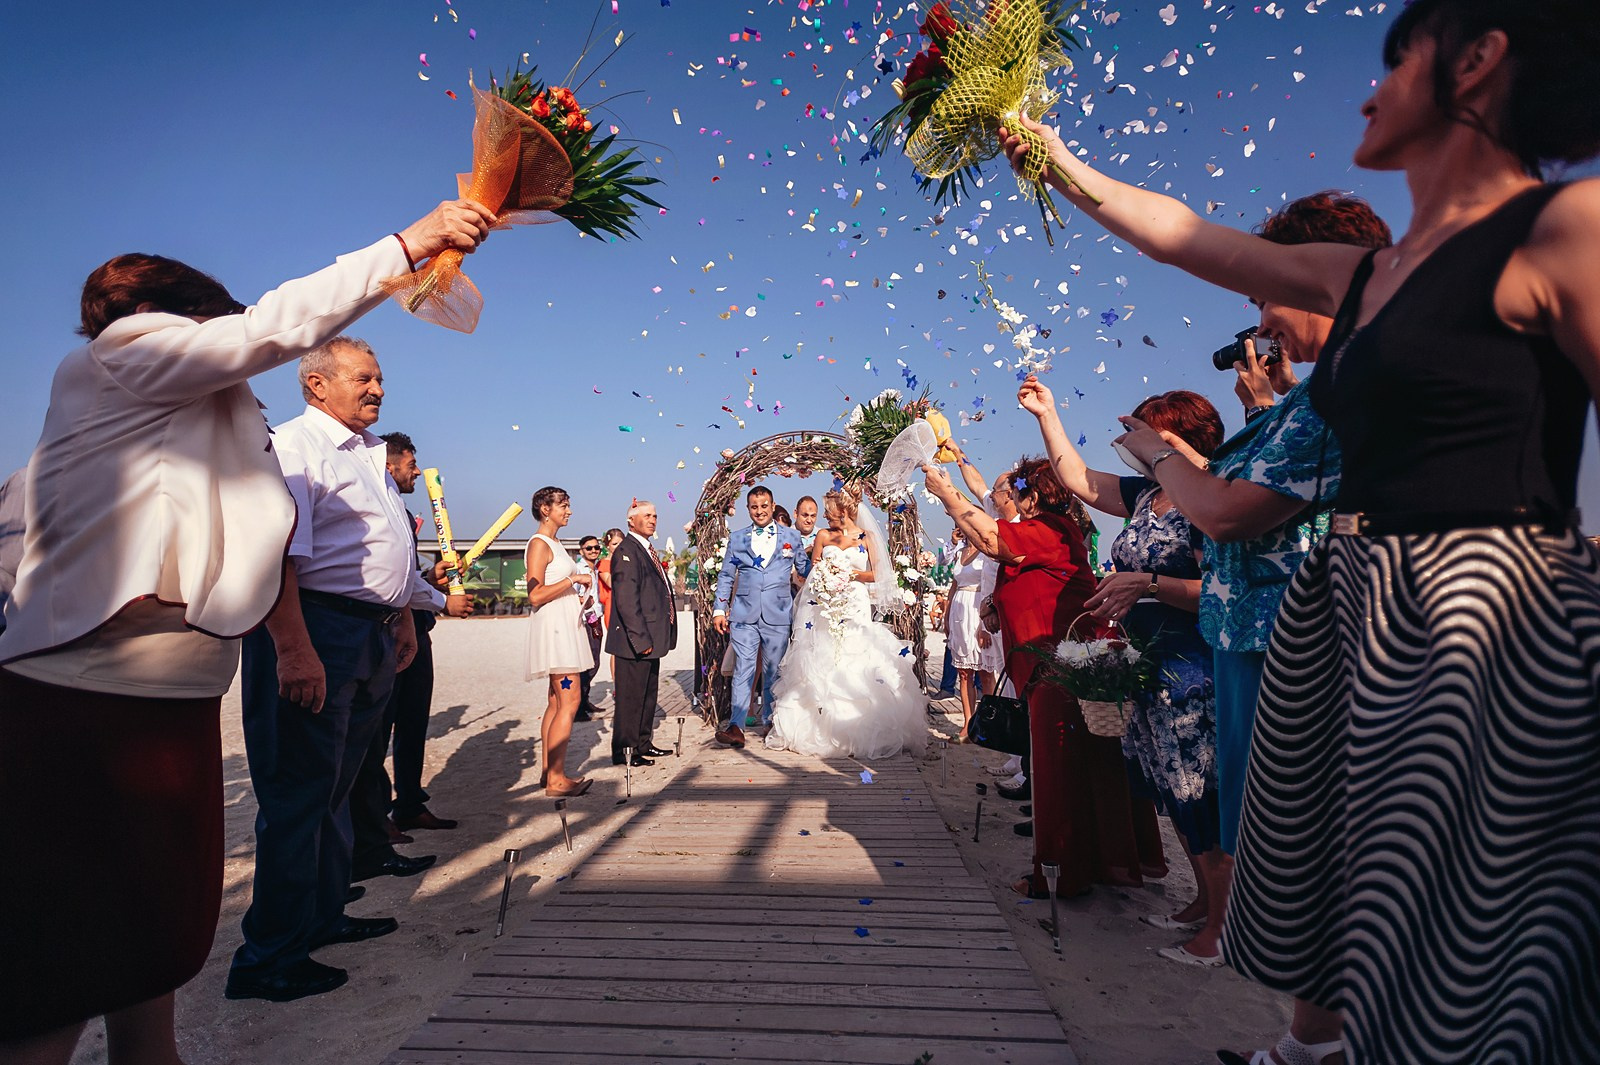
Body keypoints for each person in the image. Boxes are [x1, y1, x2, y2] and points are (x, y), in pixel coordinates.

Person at [1001, 2, 1600, 1058]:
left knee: (1473, 935)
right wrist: (1053, 158)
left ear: (1479, 61)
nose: (1367, 90)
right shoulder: (1367, 276)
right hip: (1356, 607)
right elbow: (1183, 235)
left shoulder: (1563, 227)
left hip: (1488, 608)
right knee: (1345, 895)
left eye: (1395, 58)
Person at [0, 199, 491, 1059]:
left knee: (151, 932)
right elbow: (275, 327)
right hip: (93, 696)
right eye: (221, 325)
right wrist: (411, 246)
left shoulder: (172, 415)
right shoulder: (127, 350)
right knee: (69, 957)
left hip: (171, 693)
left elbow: (18, 517)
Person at [227, 337, 447, 1004]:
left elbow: (385, 547)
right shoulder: (296, 446)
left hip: (368, 632)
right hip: (315, 627)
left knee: (337, 785)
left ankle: (322, 915)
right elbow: (278, 555)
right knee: (298, 793)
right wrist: (294, 647)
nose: (377, 387)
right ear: (316, 385)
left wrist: (403, 613)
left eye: (380, 376)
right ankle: (269, 955)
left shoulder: (369, 455)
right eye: (363, 377)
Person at [1019, 380, 1225, 961]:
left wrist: (1150, 584)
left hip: (1189, 661)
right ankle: (1205, 901)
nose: (1129, 447)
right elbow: (1080, 481)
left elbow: (1218, 589)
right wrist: (1049, 413)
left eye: (1141, 434)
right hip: (1145, 660)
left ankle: (1222, 922)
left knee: (1196, 787)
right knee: (1168, 782)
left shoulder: (1209, 498)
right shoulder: (1145, 496)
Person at [924, 458, 1157, 898]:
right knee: (1079, 771)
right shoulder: (1047, 531)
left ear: (1033, 497)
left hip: (1065, 670)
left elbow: (992, 540)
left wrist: (945, 492)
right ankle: (1105, 863)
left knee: (1058, 772)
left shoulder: (1050, 530)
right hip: (1053, 667)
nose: (1010, 500)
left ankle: (1061, 876)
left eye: (1016, 492)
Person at [357, 431, 470, 847]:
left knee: (412, 722)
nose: (417, 472)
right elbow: (389, 582)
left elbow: (405, 578)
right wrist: (442, 601)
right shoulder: (374, 504)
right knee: (376, 729)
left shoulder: (401, 511)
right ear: (389, 464)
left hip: (415, 630)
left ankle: (409, 801)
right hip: (384, 632)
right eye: (410, 465)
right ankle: (375, 816)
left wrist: (431, 580)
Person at [765, 484, 927, 759]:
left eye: (829, 511)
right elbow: (812, 570)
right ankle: (820, 723)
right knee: (826, 655)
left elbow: (877, 574)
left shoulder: (866, 537)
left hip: (855, 604)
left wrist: (849, 574)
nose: (825, 517)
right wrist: (827, 577)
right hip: (826, 605)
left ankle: (859, 724)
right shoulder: (823, 536)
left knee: (856, 653)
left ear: (844, 510)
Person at [711, 486, 813, 745]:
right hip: (744, 615)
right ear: (748, 509)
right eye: (754, 507)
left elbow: (805, 568)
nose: (759, 511)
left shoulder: (791, 536)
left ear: (772, 504)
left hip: (778, 613)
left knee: (772, 670)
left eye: (764, 506)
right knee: (743, 668)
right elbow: (725, 576)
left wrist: (832, 564)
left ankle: (770, 720)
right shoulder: (737, 538)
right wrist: (720, 609)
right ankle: (736, 726)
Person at [523, 487, 593, 797]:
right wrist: (573, 580)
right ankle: (557, 779)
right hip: (556, 635)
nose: (569, 511)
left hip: (565, 627)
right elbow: (535, 594)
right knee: (570, 700)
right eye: (563, 505)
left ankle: (548, 772)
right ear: (544, 509)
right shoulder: (539, 544)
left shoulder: (555, 542)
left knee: (555, 702)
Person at [606, 500, 677, 765]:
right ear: (631, 521)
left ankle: (643, 743)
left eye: (655, 515)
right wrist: (640, 639)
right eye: (646, 515)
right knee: (630, 699)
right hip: (634, 641)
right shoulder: (626, 550)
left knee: (647, 696)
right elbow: (626, 600)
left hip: (652, 639)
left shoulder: (645, 549)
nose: (652, 519)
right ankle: (626, 751)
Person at [942, 527, 984, 741]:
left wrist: (985, 622)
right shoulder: (960, 551)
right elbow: (954, 583)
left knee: (984, 670)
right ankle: (968, 722)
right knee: (964, 671)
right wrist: (947, 612)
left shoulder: (987, 553)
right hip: (959, 607)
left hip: (978, 608)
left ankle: (986, 723)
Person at [572, 534, 606, 720]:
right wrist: (585, 601)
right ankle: (577, 707)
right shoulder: (578, 569)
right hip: (584, 620)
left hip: (596, 619)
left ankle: (584, 701)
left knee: (594, 662)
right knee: (587, 664)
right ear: (581, 551)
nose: (593, 551)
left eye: (596, 548)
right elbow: (571, 595)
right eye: (589, 548)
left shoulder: (597, 568)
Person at [596, 526, 624, 680]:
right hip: (612, 606)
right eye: (614, 544)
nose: (618, 547)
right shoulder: (603, 564)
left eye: (621, 543)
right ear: (608, 546)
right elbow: (612, 582)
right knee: (616, 646)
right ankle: (617, 684)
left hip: (627, 604)